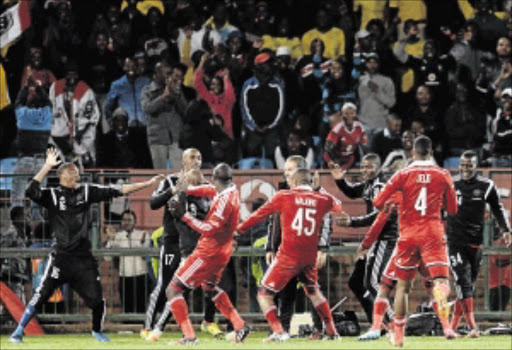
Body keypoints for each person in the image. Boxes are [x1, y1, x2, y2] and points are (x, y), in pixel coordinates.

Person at [9, 148, 164, 343]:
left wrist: (148, 184)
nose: (76, 175)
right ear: (62, 176)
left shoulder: (87, 190)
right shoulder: (52, 195)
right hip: (61, 257)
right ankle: (19, 329)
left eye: (76, 172)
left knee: (97, 300)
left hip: (83, 258)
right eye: (72, 172)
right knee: (41, 294)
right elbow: (30, 191)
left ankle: (96, 331)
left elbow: (118, 190)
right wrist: (46, 167)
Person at [236, 168, 341, 342]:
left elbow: (258, 215)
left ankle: (279, 331)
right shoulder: (323, 199)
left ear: (293, 181)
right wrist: (318, 189)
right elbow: (338, 205)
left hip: (288, 255)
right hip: (309, 256)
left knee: (264, 293)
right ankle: (332, 332)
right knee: (313, 291)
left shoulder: (284, 196)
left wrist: (239, 230)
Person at [373, 136, 458, 347]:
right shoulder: (443, 174)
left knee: (403, 287)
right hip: (433, 232)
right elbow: (453, 209)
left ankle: (399, 337)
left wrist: (399, 199)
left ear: (412, 152)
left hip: (408, 234)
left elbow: (377, 202)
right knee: (440, 282)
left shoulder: (402, 174)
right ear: (431, 152)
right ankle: (446, 321)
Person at [141, 148, 222, 340]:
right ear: (183, 160)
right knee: (166, 285)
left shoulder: (207, 187)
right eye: (192, 157)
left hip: (198, 244)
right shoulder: (170, 181)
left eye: (199, 157)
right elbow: (153, 203)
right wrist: (174, 190)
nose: (196, 160)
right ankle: (148, 326)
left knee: (211, 283)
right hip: (173, 242)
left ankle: (208, 322)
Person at [166, 163, 251, 345]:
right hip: (223, 251)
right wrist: (187, 189)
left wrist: (185, 215)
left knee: (173, 289)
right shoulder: (231, 191)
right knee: (210, 287)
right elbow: (208, 190)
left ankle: (189, 337)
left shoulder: (223, 201)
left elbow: (210, 228)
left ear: (214, 177)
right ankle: (240, 325)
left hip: (208, 252)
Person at [264, 155, 335, 338]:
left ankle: (320, 329)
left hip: (307, 251)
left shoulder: (318, 193)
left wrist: (322, 248)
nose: (286, 173)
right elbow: (273, 222)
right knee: (285, 293)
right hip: (285, 251)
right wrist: (270, 248)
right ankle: (283, 330)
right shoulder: (282, 192)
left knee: (312, 291)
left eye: (290, 170)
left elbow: (326, 221)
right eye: (285, 169)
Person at [448, 151, 511, 337]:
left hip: (476, 244)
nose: (465, 169)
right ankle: (473, 327)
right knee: (463, 281)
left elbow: (497, 208)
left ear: (476, 166)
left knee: (467, 286)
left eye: (469, 165)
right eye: (462, 165)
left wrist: (507, 230)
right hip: (455, 241)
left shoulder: (486, 185)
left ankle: (452, 326)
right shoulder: (451, 183)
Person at [331, 153, 397, 326]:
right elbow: (353, 192)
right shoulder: (370, 184)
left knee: (374, 283)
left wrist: (352, 222)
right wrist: (340, 181)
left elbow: (380, 216)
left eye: (369, 167)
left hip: (386, 238)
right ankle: (378, 322)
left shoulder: (381, 186)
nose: (365, 170)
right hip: (376, 238)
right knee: (358, 282)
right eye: (363, 167)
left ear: (379, 168)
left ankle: (393, 323)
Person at [49, 62, 100, 168]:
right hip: (60, 134)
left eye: (74, 74)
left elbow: (92, 117)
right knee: (63, 164)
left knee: (85, 162)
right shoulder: (56, 87)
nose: (72, 77)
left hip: (82, 134)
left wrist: (81, 132)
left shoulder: (86, 90)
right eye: (69, 74)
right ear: (65, 75)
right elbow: (51, 109)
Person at [104, 57, 152, 168]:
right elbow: (108, 106)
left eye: (133, 66)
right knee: (132, 155)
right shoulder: (117, 84)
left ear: (137, 67)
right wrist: (111, 121)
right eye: (128, 66)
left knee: (145, 156)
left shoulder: (146, 82)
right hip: (128, 127)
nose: (131, 69)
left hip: (145, 125)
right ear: (123, 67)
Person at [141, 61, 189, 169]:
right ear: (158, 74)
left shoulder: (176, 90)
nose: (170, 76)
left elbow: (185, 110)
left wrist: (177, 93)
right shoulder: (147, 91)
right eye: (167, 73)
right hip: (157, 138)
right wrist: (163, 97)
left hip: (175, 137)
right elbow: (148, 108)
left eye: (171, 73)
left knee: (178, 174)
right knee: (160, 174)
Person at [240, 53, 285, 159]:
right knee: (252, 157)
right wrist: (254, 127)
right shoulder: (248, 84)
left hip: (272, 130)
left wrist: (270, 127)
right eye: (267, 63)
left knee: (272, 156)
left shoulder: (277, 84)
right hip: (253, 130)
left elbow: (281, 108)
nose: (270, 66)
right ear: (259, 66)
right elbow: (244, 108)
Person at [105, 210, 150, 313]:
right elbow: (107, 257)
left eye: (129, 220)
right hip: (125, 277)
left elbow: (145, 255)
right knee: (127, 307)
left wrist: (141, 245)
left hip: (141, 276)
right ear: (121, 222)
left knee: (142, 307)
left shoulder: (143, 234)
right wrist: (111, 240)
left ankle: (143, 328)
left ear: (135, 222)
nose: (127, 222)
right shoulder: (118, 236)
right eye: (124, 220)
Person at [194, 54, 236, 139]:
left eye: (218, 84)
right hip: (210, 138)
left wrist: (226, 78)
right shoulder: (208, 97)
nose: (215, 86)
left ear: (223, 85)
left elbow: (230, 95)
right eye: (213, 84)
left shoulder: (227, 99)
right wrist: (201, 63)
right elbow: (197, 82)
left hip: (226, 137)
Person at [357, 53, 396, 142]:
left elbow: (391, 103)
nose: (372, 65)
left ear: (378, 64)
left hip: (381, 124)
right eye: (369, 62)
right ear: (366, 64)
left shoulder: (387, 81)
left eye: (375, 62)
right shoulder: (360, 80)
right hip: (364, 123)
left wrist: (377, 90)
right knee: (365, 153)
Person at [324, 102, 368, 170]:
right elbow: (328, 149)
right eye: (346, 113)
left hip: (351, 159)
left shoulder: (360, 127)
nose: (349, 116)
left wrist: (365, 162)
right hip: (337, 159)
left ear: (355, 114)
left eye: (352, 113)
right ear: (342, 115)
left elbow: (364, 147)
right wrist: (332, 161)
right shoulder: (337, 129)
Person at [1, 207, 30, 302]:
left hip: (19, 273)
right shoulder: (11, 233)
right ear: (17, 217)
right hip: (11, 273)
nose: (27, 219)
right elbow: (3, 251)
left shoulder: (22, 233)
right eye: (24, 216)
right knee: (15, 303)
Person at [491, 88, 512, 167]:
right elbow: (486, 99)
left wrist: (499, 136)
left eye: (509, 98)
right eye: (504, 98)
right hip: (498, 158)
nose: (506, 100)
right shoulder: (498, 114)